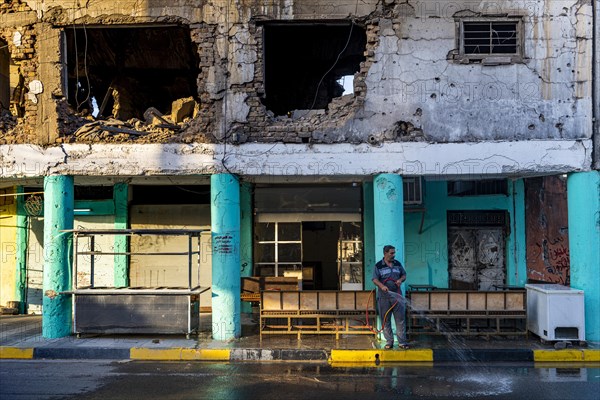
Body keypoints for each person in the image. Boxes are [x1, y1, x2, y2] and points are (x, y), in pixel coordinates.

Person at [372, 245, 408, 349]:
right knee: (385, 320)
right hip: (384, 297)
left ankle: (402, 342)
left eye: (394, 253)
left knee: (400, 319)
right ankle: (389, 342)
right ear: (385, 253)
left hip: (397, 296)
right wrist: (382, 286)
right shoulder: (378, 266)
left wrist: (400, 280)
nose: (394, 255)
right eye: (391, 253)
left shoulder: (397, 264)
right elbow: (374, 279)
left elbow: (404, 275)